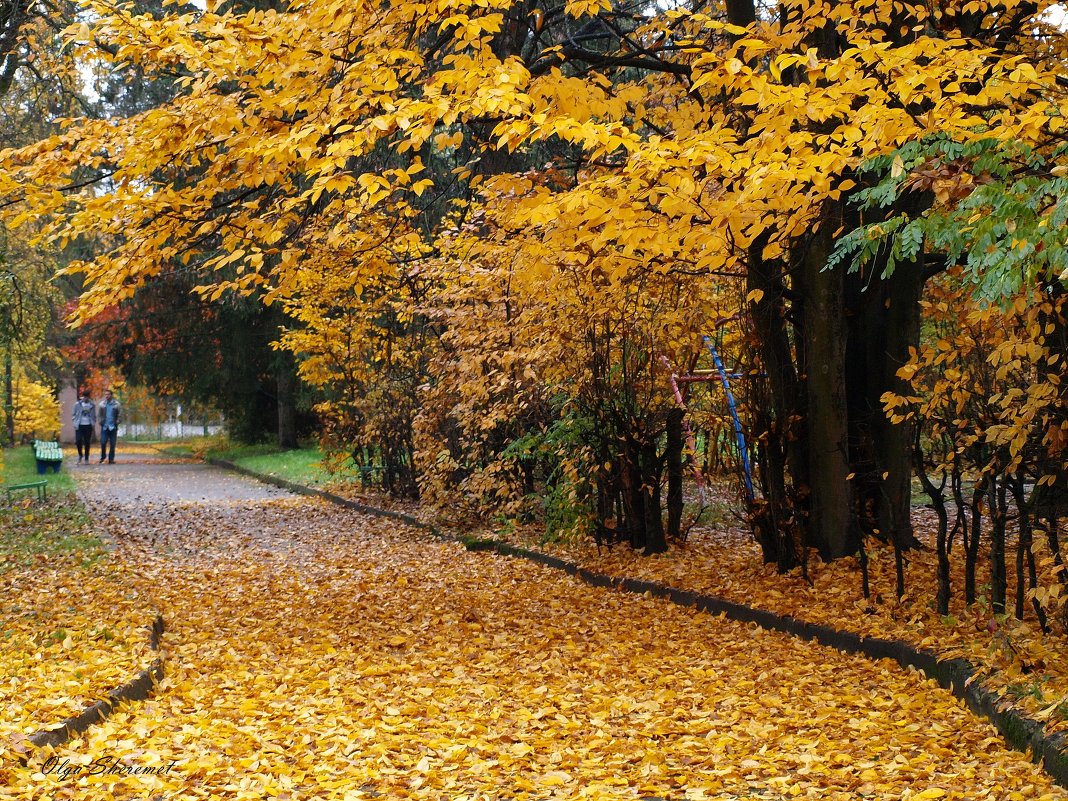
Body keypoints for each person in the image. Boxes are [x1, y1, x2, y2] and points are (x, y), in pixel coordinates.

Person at [71, 390, 96, 464]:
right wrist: (74, 421)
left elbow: (94, 415)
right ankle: (80, 454)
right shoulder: (77, 404)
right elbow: (73, 413)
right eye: (84, 397)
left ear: (89, 397)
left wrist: (93, 423)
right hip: (79, 425)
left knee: (87, 442)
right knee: (78, 440)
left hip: (88, 425)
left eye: (87, 397)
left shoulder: (92, 405)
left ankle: (86, 458)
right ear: (83, 397)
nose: (85, 398)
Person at [97, 388, 121, 464]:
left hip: (113, 426)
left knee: (112, 443)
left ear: (111, 395)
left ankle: (111, 459)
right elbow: (99, 415)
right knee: (103, 442)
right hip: (105, 426)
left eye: (108, 394)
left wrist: (117, 422)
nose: (106, 396)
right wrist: (100, 422)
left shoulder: (116, 404)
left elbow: (120, 415)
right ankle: (103, 457)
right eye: (105, 394)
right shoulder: (102, 404)